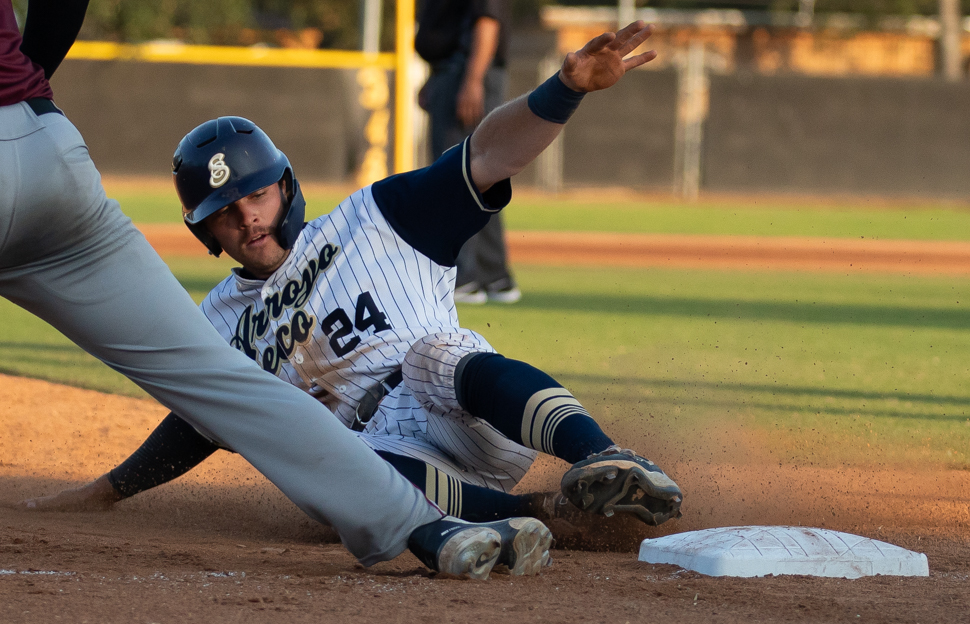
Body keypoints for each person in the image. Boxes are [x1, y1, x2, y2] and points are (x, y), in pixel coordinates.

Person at [21, 22, 683, 537]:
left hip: (463, 412)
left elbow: (486, 154)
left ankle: (603, 458)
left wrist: (563, 90)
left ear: (286, 187)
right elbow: (197, 421)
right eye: (223, 214)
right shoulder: (218, 321)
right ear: (205, 233)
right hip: (394, 465)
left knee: (435, 356)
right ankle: (546, 516)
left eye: (256, 195)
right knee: (332, 467)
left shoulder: (376, 217)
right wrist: (109, 490)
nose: (247, 217)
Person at [416, 0, 519, 304]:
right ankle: (494, 276)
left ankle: (462, 278)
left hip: (468, 70)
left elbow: (487, 21)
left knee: (455, 177)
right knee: (481, 177)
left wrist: (472, 80)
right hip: (457, 70)